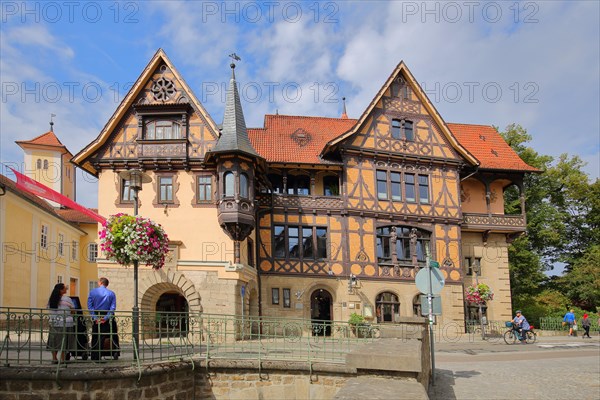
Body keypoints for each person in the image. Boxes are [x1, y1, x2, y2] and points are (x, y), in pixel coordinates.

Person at [87, 277, 119, 360]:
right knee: (112, 334)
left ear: (100, 283)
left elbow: (90, 306)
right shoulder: (111, 293)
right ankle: (114, 351)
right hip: (108, 316)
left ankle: (95, 354)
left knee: (96, 335)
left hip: (97, 314)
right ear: (107, 284)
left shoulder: (92, 292)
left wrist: (95, 317)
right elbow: (112, 308)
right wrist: (106, 318)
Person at [46, 283, 74, 364]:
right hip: (65, 323)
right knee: (64, 341)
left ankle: (54, 358)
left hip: (54, 322)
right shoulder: (67, 299)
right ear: (61, 290)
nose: (66, 289)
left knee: (54, 341)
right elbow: (72, 310)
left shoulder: (51, 299)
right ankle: (63, 359)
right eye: (65, 288)